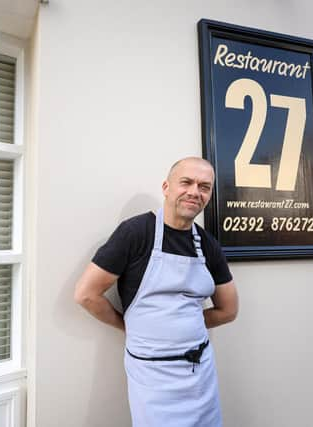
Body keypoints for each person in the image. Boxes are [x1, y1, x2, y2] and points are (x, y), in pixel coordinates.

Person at [74, 157, 238, 427]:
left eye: (204, 187)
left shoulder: (207, 244)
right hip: (152, 375)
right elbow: (86, 294)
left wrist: (184, 322)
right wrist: (130, 325)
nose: (195, 192)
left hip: (200, 372)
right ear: (166, 187)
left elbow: (229, 310)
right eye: (186, 182)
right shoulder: (135, 233)